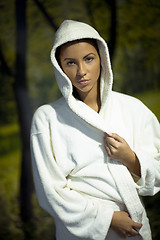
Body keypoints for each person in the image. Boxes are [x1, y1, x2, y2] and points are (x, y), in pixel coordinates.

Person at [30, 20, 160, 240]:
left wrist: (131, 158)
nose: (81, 71)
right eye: (70, 63)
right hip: (83, 231)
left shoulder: (133, 108)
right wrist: (108, 218)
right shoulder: (47, 118)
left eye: (89, 59)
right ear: (59, 67)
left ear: (102, 58)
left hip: (134, 226)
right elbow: (50, 192)